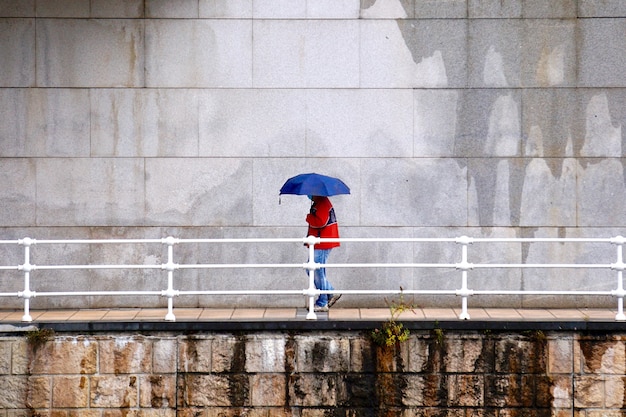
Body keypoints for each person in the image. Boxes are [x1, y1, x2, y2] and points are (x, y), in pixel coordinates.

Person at [306, 195, 342, 312]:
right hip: (320, 241)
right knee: (313, 270)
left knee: (317, 271)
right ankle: (329, 293)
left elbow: (321, 222)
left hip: (322, 241)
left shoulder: (322, 202)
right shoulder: (320, 202)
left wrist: (309, 217)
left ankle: (323, 301)